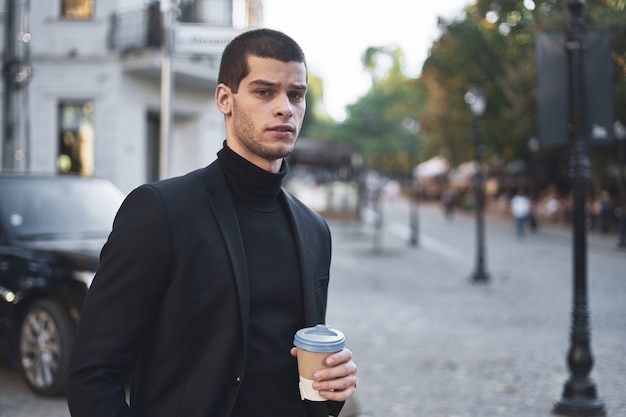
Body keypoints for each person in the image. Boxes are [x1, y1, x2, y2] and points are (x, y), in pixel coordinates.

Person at [66, 29, 357, 417]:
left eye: (296, 94)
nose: (285, 108)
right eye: (265, 91)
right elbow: (92, 374)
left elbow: (297, 368)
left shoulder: (314, 230)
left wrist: (331, 388)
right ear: (225, 99)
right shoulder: (160, 211)